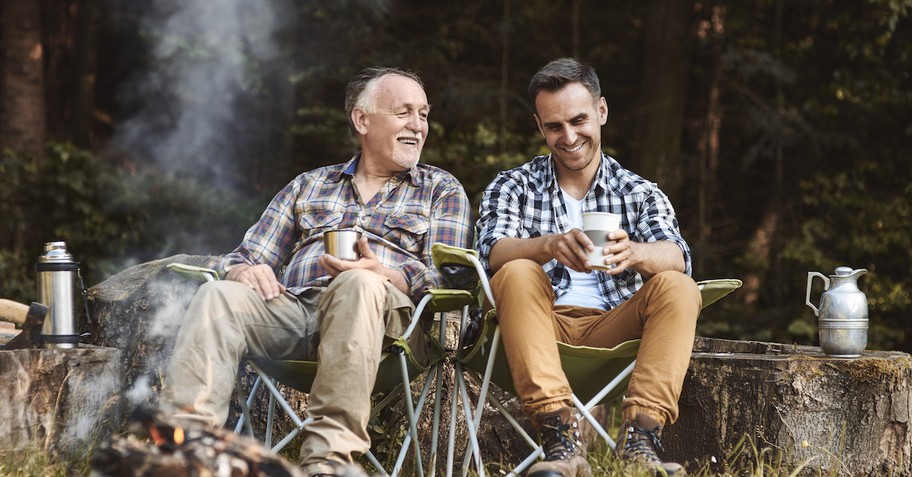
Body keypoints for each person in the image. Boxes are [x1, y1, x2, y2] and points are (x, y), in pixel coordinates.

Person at [161, 67, 473, 476]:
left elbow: (453, 276)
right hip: (298, 312)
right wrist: (244, 273)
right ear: (362, 120)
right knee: (219, 295)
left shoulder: (440, 189)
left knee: (359, 282)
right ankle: (186, 453)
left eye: (424, 114)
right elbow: (245, 255)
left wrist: (388, 274)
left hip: (387, 324)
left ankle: (329, 461)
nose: (418, 125)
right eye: (404, 113)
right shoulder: (309, 185)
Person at [475, 58, 701, 477]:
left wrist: (635, 253)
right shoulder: (513, 186)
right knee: (517, 270)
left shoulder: (638, 192)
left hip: (613, 329)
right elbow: (491, 250)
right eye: (554, 126)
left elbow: (678, 256)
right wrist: (546, 246)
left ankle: (641, 440)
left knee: (679, 286)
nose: (569, 136)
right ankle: (560, 440)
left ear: (601, 111)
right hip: (538, 326)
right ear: (540, 127)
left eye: (579, 120)